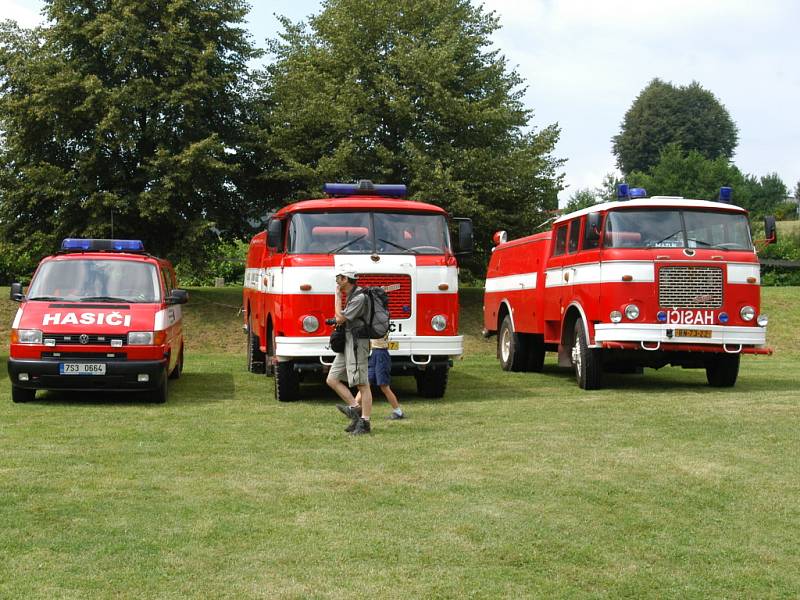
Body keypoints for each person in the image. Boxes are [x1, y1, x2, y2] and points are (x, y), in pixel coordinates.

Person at [326, 266, 373, 435]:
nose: (336, 281)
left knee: (362, 384)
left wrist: (337, 297)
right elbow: (342, 320)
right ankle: (355, 409)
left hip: (357, 343)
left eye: (338, 278)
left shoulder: (359, 298)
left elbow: (340, 318)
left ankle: (365, 422)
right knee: (332, 379)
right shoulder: (352, 296)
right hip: (347, 341)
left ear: (346, 279)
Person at [354, 333, 404, 421]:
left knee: (384, 386)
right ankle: (353, 407)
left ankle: (398, 412)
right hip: (374, 353)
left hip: (381, 354)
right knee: (366, 383)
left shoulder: (380, 324)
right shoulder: (377, 322)